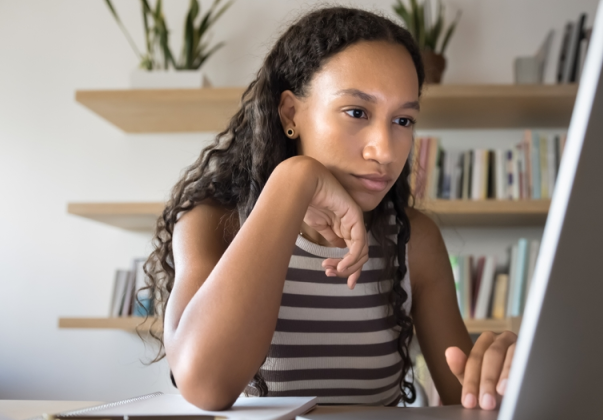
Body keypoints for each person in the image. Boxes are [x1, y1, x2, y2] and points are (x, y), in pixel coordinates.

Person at [141, 6, 517, 412]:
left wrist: (498, 372)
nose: (386, 151)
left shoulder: (414, 242)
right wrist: (294, 180)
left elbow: (467, 398)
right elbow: (205, 386)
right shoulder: (214, 223)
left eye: (403, 120)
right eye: (357, 112)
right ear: (290, 114)